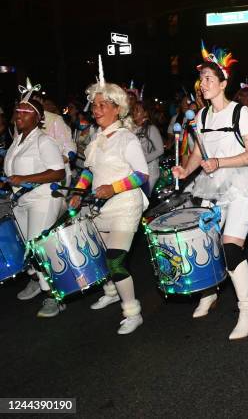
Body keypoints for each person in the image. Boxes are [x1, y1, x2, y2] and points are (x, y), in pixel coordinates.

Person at [172, 41, 248, 340]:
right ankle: (209, 292)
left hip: (241, 186)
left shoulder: (240, 112)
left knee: (229, 246)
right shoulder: (200, 117)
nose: (204, 84)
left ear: (224, 82)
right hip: (213, 187)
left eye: (211, 78)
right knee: (208, 243)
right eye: (202, 79)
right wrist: (186, 170)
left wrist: (219, 162)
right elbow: (199, 153)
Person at [69, 57, 148, 335]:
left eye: (104, 105)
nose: (97, 109)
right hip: (100, 207)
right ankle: (112, 291)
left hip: (126, 204)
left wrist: (112, 188)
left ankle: (132, 311)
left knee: (115, 260)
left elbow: (142, 175)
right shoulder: (95, 140)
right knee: (102, 257)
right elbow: (89, 172)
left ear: (117, 109)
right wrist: (79, 191)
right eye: (95, 105)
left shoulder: (127, 138)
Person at [4, 92, 66, 317]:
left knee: (37, 246)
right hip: (22, 202)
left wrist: (26, 179)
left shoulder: (44, 140)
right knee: (26, 248)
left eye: (24, 111)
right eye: (17, 110)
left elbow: (58, 171)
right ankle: (38, 281)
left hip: (42, 200)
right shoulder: (16, 140)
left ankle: (54, 297)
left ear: (37, 117)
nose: (18, 114)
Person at [132, 101, 164, 195]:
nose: (134, 113)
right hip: (136, 171)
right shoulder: (132, 129)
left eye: (137, 110)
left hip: (150, 171)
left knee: (144, 199)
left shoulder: (151, 128)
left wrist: (142, 160)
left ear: (145, 113)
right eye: (133, 110)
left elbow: (160, 150)